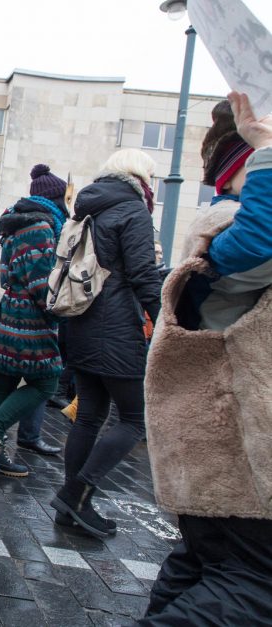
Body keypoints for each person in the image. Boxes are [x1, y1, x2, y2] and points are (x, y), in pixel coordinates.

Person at [139, 92, 272, 625]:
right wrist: (265, 147)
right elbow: (261, 237)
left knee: (205, 565)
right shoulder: (226, 226)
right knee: (254, 583)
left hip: (221, 450)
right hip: (235, 452)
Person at [51, 149, 161, 537]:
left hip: (79, 322)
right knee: (133, 419)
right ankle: (77, 495)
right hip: (114, 329)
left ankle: (71, 507)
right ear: (140, 176)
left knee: (90, 415)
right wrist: (164, 318)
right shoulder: (133, 211)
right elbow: (145, 273)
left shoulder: (87, 209)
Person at [0, 164, 69, 477]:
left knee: (3, 380)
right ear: (56, 198)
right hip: (27, 322)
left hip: (5, 316)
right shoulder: (40, 228)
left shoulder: (16, 225)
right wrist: (57, 308)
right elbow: (39, 284)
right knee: (46, 382)